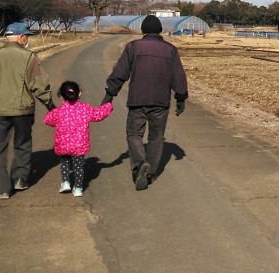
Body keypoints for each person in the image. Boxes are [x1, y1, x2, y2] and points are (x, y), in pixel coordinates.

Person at [102, 15, 188, 191]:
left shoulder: (133, 47)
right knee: (156, 138)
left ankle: (140, 164)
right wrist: (180, 98)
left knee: (134, 134)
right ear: (160, 31)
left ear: (143, 31)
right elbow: (178, 76)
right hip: (161, 102)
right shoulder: (170, 50)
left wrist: (110, 95)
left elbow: (120, 73)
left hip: (137, 100)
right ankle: (150, 171)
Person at [0, 22, 55, 199]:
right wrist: (50, 106)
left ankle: (3, 188)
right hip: (22, 111)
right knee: (22, 144)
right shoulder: (28, 57)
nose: (27, 39)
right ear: (20, 37)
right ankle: (19, 179)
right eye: (26, 36)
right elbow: (39, 85)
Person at [44, 80, 113, 197]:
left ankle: (65, 182)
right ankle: (78, 188)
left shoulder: (58, 112)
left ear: (61, 96)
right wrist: (108, 105)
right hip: (79, 145)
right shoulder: (85, 109)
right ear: (79, 94)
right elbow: (98, 115)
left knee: (65, 162)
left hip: (63, 144)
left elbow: (48, 120)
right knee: (79, 166)